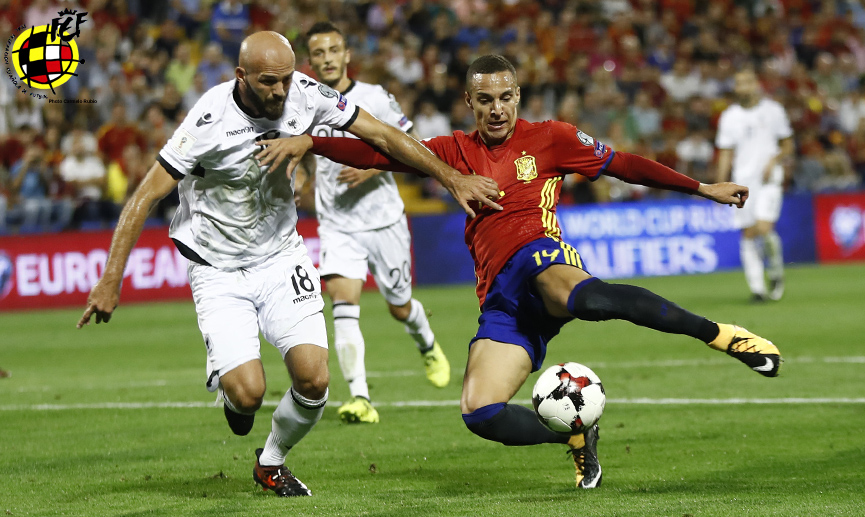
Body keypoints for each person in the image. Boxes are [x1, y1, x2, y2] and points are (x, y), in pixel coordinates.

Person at [256, 55, 784, 490]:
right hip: (501, 300)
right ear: (469, 103)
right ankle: (575, 436)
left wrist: (701, 187)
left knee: (591, 299)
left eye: (505, 97)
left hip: (540, 255)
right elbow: (373, 153)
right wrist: (311, 142)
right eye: (485, 100)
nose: (497, 109)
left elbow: (622, 164)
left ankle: (722, 335)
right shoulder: (450, 151)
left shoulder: (552, 137)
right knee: (480, 412)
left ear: (518, 97)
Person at [77, 32, 501, 498]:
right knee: (248, 396)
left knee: (314, 379)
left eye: (286, 79)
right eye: (268, 82)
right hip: (218, 268)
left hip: (281, 257)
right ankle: (233, 392)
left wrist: (452, 178)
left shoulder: (305, 93)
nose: (281, 91)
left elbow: (381, 134)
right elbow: (143, 197)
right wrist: (110, 280)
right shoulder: (208, 120)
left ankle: (271, 462)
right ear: (241, 77)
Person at [304, 22, 450, 425]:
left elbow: (412, 146)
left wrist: (370, 169)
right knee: (343, 301)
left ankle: (426, 343)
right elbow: (302, 153)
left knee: (399, 307)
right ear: (311, 60)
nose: (328, 58)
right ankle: (360, 397)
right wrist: (300, 180)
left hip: (384, 220)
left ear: (347, 55)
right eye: (319, 53)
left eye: (334, 50)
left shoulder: (374, 98)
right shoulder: (302, 103)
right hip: (337, 223)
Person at [716, 69, 794, 302]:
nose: (744, 87)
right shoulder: (729, 116)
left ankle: (776, 272)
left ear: (756, 84)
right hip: (743, 180)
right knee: (749, 233)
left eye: (748, 82)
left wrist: (774, 160)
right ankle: (758, 288)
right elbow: (725, 153)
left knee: (764, 228)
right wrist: (719, 185)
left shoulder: (773, 110)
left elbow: (788, 144)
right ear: (736, 88)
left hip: (769, 179)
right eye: (739, 83)